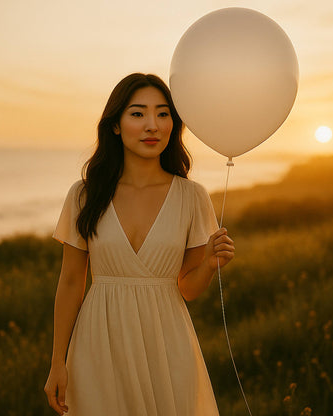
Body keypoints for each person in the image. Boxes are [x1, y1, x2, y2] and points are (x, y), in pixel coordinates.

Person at [44, 73, 235, 416]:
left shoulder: (192, 196)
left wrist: (208, 264)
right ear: (115, 125)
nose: (152, 125)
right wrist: (58, 362)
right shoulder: (85, 194)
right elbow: (71, 281)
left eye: (163, 114)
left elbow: (187, 289)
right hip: (98, 344)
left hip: (167, 345)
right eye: (137, 114)